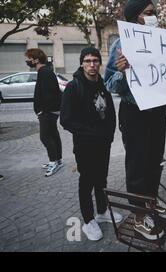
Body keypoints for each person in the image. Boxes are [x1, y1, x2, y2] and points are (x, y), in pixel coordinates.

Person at [104, 0, 166, 241]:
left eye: (154, 11)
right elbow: (110, 84)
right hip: (134, 112)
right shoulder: (121, 44)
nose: (154, 15)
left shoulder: (161, 42)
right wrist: (123, 71)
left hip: (157, 110)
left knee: (155, 160)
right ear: (137, 16)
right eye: (149, 12)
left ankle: (151, 202)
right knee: (137, 165)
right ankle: (138, 217)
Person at [60, 47, 122, 241]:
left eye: (95, 60)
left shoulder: (101, 84)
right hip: (85, 146)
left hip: (103, 144)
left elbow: (110, 112)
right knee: (86, 183)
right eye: (87, 61)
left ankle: (102, 212)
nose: (92, 64)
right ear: (81, 63)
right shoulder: (74, 86)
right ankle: (88, 221)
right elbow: (66, 120)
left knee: (101, 179)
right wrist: (93, 134)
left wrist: (109, 136)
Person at [25, 48, 63, 177]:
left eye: (29, 58)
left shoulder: (44, 72)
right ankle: (58, 160)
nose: (27, 60)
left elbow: (50, 94)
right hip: (49, 111)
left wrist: (42, 111)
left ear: (36, 59)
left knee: (45, 137)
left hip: (48, 111)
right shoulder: (45, 71)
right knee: (53, 134)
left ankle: (54, 162)